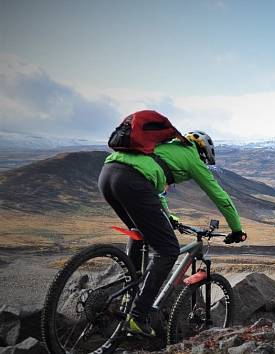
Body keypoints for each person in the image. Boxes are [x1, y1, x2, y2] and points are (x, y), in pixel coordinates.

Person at [98, 129, 246, 336]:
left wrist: (170, 218)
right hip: (133, 182)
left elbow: (158, 192)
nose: (202, 162)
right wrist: (237, 229)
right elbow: (220, 197)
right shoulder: (192, 157)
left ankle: (129, 292)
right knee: (168, 251)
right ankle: (138, 317)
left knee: (138, 230)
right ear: (203, 151)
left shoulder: (163, 147)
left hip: (107, 174)